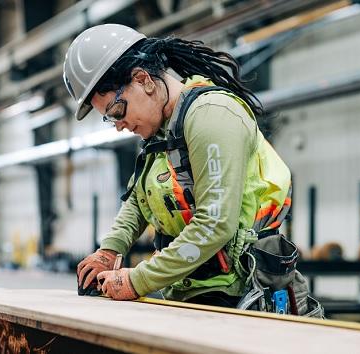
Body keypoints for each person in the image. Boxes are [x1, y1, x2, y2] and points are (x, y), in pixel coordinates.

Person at [64, 24, 317, 314]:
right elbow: (138, 200)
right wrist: (110, 250)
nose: (119, 125)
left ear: (143, 79)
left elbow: (215, 224)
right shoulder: (161, 135)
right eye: (110, 119)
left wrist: (138, 279)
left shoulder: (211, 116)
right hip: (192, 295)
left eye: (117, 111)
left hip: (240, 297)